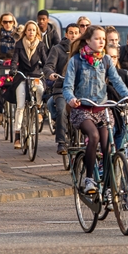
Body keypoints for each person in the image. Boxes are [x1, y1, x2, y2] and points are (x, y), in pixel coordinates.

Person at [63, 25, 128, 194]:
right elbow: (67, 87)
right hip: (82, 110)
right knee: (93, 136)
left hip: (102, 110)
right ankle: (89, 179)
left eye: (103, 38)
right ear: (88, 40)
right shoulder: (76, 61)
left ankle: (109, 186)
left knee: (108, 145)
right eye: (97, 38)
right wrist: (72, 99)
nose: (101, 41)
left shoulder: (106, 60)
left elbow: (117, 81)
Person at [4, 21, 47, 149]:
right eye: (29, 30)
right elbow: (14, 60)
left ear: (37, 32)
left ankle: (38, 108)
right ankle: (17, 135)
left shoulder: (40, 45)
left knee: (40, 88)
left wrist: (48, 71)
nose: (31, 32)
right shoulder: (19, 45)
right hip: (22, 76)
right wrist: (13, 70)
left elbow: (45, 61)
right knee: (20, 106)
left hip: (35, 75)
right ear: (25, 31)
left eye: (34, 30)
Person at [43, 23, 80, 155]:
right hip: (61, 87)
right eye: (71, 32)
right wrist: (51, 74)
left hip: (79, 88)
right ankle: (61, 142)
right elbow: (48, 66)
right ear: (66, 34)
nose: (73, 35)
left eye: (76, 33)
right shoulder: (57, 49)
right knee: (61, 110)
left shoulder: (83, 49)